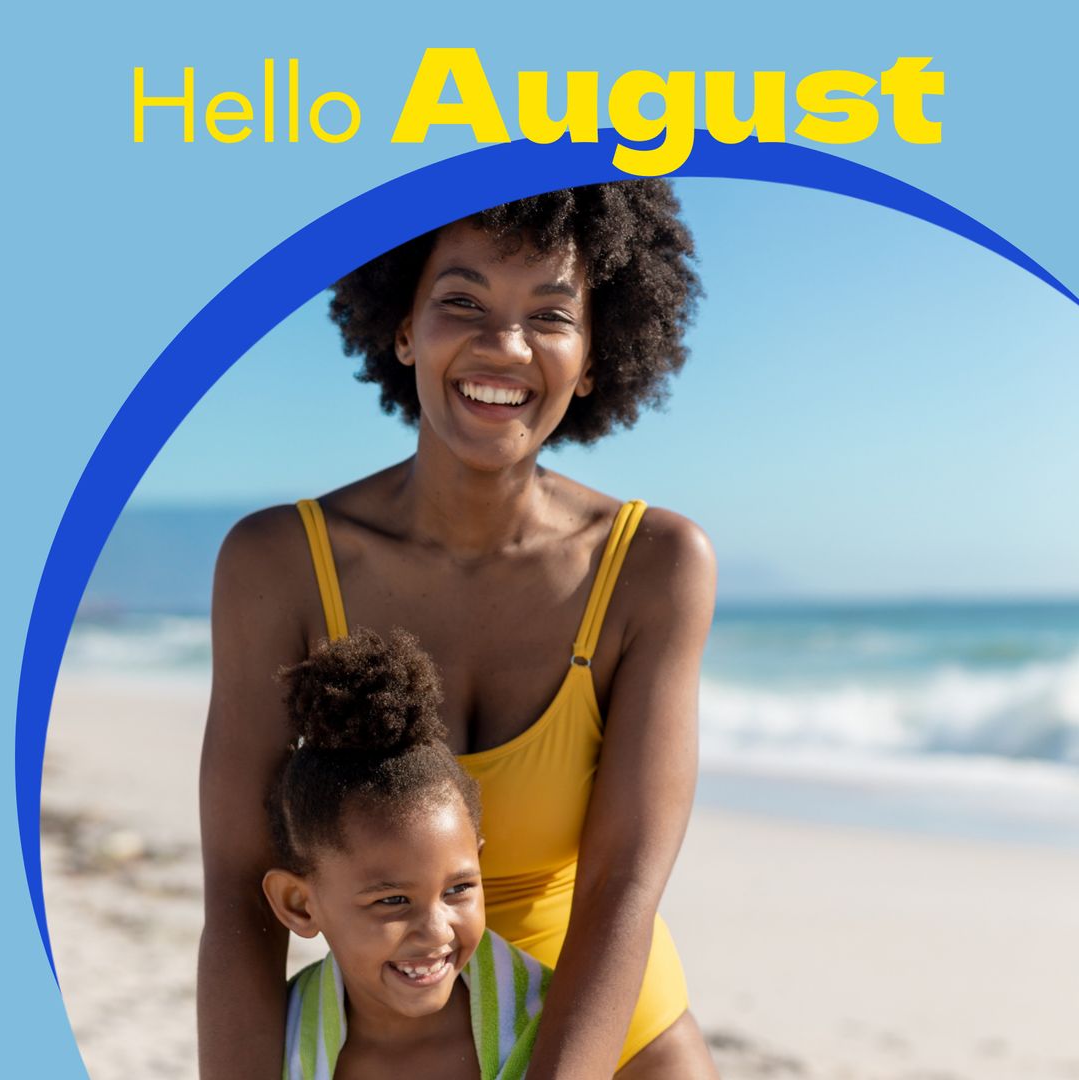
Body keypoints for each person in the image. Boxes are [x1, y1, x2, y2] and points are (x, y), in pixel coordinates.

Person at [199, 181, 719, 1079]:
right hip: (384, 1036)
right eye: (463, 302)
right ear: (403, 325)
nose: (503, 346)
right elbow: (239, 895)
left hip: (606, 1038)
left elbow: (621, 889)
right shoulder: (278, 565)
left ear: (594, 355)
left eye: (550, 315)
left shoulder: (655, 566)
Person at [263, 628, 549, 1080]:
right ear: (299, 903)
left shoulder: (548, 1026)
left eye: (458, 889)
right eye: (392, 900)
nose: (437, 932)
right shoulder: (278, 1040)